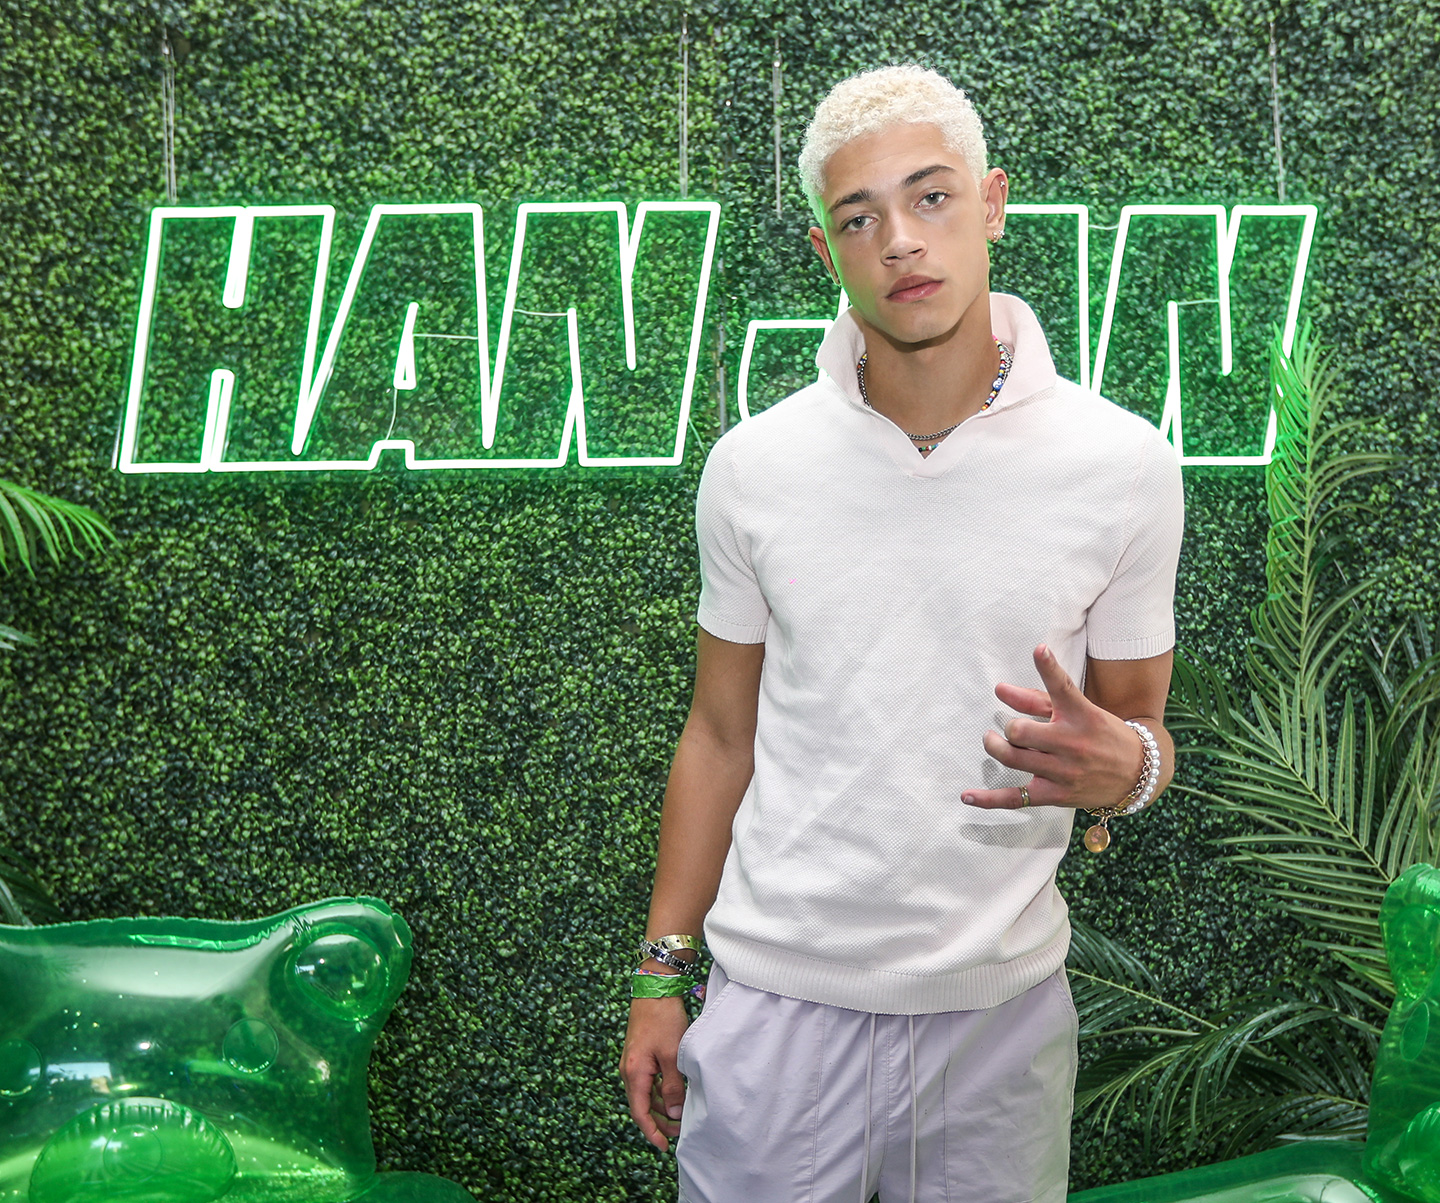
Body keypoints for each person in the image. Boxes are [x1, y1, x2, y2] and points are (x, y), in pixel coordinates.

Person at [619, 63, 1184, 1203]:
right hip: (775, 1005)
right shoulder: (753, 467)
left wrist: (1126, 771)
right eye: (858, 218)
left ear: (992, 203)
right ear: (826, 253)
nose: (901, 242)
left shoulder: (1123, 463)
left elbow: (1138, 733)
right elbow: (720, 734)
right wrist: (661, 975)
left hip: (1000, 1021)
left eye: (931, 197)